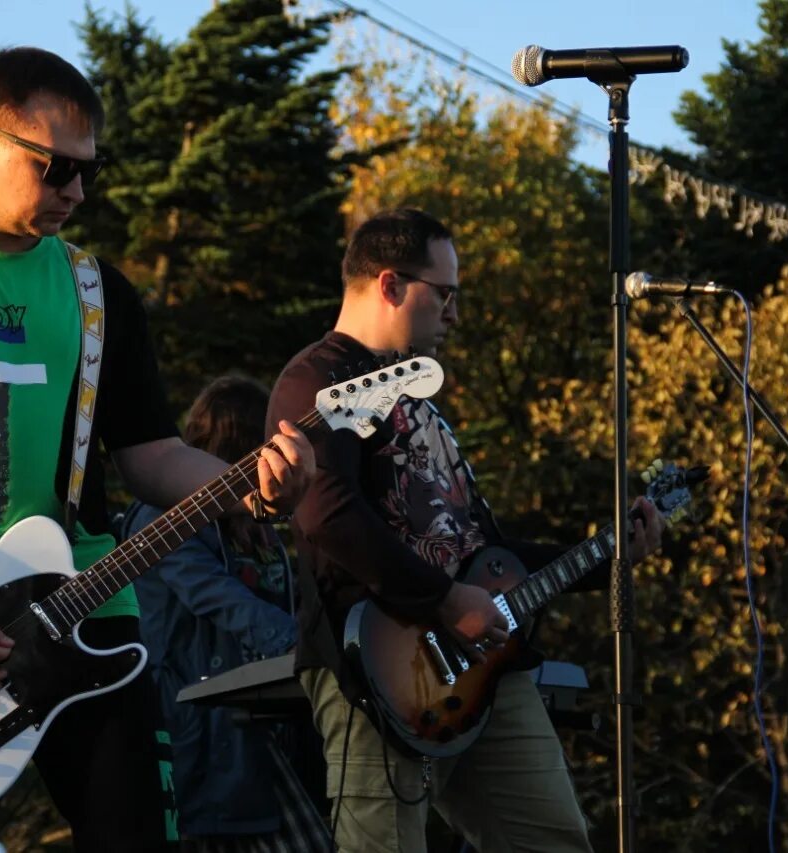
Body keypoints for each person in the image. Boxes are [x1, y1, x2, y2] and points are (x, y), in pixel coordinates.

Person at [0, 47, 314, 853]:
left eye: (89, 170)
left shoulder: (98, 291)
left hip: (87, 610)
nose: (76, 192)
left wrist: (251, 484)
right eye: (54, 169)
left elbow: (150, 456)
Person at [265, 208, 664, 853]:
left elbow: (483, 556)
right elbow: (328, 515)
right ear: (391, 284)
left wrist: (610, 553)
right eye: (444, 294)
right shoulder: (317, 379)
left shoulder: (410, 390)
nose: (454, 313)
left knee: (557, 840)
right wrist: (447, 601)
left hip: (480, 672)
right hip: (375, 673)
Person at [122, 375, 331, 853]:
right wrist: (299, 646)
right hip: (201, 734)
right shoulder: (163, 518)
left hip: (260, 730)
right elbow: (215, 597)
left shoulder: (255, 528)